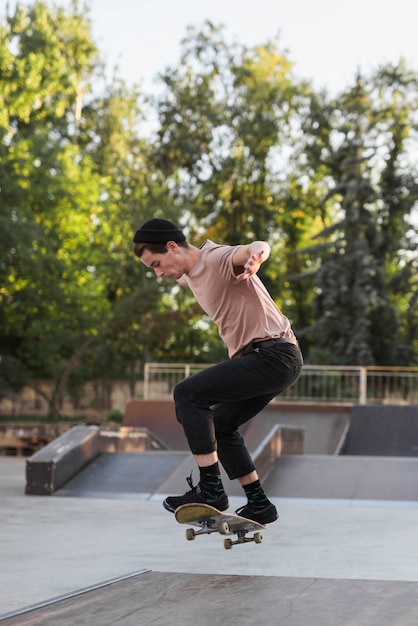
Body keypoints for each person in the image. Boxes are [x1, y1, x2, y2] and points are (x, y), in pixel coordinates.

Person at [133, 218, 303, 524]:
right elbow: (191, 275)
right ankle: (259, 503)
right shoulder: (190, 274)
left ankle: (211, 489)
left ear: (173, 247)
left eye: (157, 264)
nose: (159, 273)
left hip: (272, 355)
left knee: (187, 394)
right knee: (221, 423)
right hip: (272, 360)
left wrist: (257, 257)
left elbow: (255, 246)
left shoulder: (218, 258)